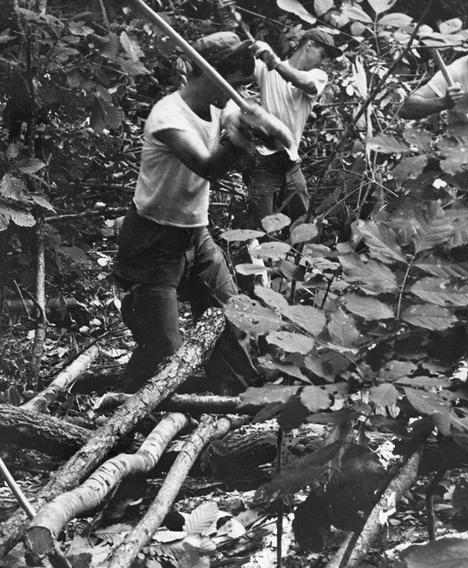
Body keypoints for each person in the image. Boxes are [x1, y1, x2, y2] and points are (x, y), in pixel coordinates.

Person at [113, 31, 291, 396]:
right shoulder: (168, 116)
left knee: (233, 321)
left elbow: (280, 144)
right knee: (163, 351)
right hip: (153, 241)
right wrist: (238, 137)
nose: (236, 90)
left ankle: (228, 412)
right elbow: (207, 166)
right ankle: (130, 416)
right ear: (210, 74)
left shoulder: (220, 108)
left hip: (196, 233)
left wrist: (265, 125)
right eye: (232, 80)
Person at [233, 28, 341, 223]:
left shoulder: (318, 76)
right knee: (261, 227)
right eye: (322, 55)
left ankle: (303, 253)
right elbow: (240, 68)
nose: (323, 62)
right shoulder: (268, 67)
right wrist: (252, 50)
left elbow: (300, 81)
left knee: (305, 223)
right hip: (264, 162)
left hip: (290, 162)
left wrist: (273, 61)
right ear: (309, 45)